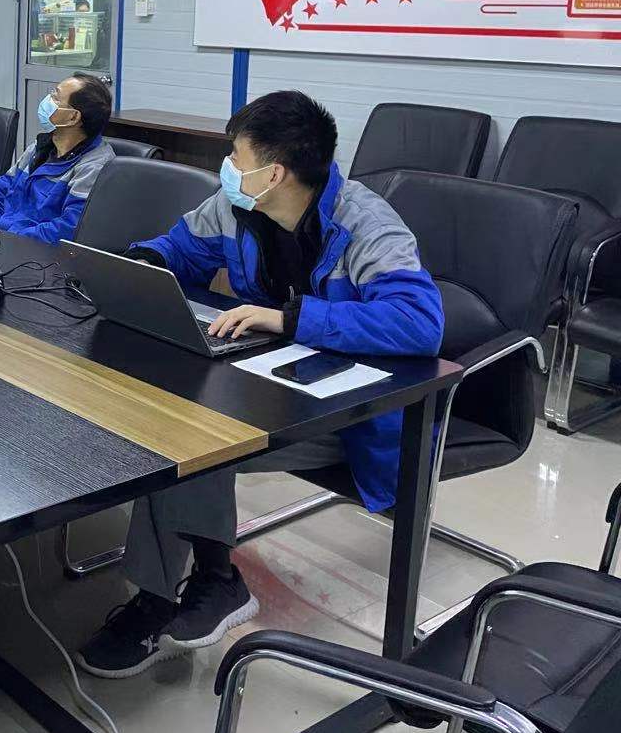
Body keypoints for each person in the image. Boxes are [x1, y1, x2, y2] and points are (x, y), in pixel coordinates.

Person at [76, 90, 444, 680]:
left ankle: (195, 586)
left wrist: (290, 319)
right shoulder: (237, 205)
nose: (226, 167)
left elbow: (419, 323)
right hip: (268, 381)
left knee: (194, 434)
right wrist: (144, 263)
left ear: (274, 173)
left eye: (236, 156)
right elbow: (179, 249)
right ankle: (196, 583)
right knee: (172, 415)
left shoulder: (366, 223)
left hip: (353, 415)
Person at [0, 74, 114, 243]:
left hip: (33, 250)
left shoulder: (94, 167)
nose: (48, 99)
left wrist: (8, 239)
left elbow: (68, 229)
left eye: (56, 97)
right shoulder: (40, 147)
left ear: (73, 117)